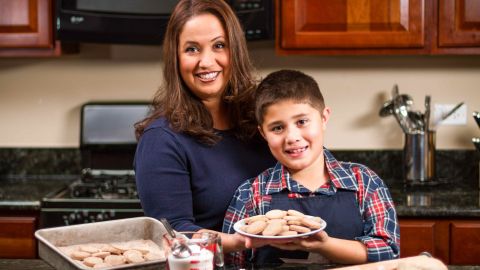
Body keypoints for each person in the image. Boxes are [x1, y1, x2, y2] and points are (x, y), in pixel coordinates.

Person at [134, 0, 275, 248]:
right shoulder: (162, 139)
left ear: (236, 51)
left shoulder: (263, 120)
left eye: (219, 46)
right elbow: (173, 233)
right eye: (192, 49)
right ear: (175, 59)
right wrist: (247, 242)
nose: (206, 62)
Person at [222, 69, 400, 266]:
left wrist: (324, 245)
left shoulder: (364, 182)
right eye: (277, 128)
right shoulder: (251, 194)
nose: (292, 137)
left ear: (324, 118)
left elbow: (388, 252)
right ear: (263, 133)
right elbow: (231, 263)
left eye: (302, 122)